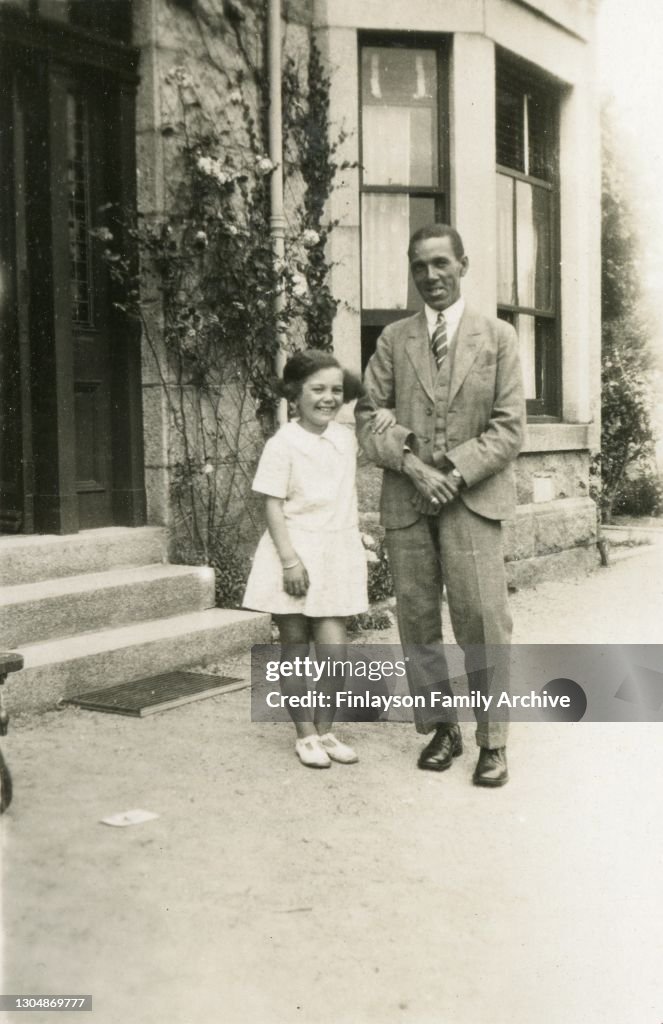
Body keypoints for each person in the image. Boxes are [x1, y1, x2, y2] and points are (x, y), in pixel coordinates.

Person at [355, 224, 525, 787]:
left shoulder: (497, 338)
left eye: (440, 264)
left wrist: (449, 472)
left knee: (481, 620)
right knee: (419, 621)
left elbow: (508, 430)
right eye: (418, 266)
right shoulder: (393, 340)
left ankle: (493, 741)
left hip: (472, 503)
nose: (429, 276)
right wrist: (413, 465)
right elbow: (367, 417)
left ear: (463, 264)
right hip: (408, 500)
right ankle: (441, 728)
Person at [243, 349, 393, 769]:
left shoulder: (345, 438)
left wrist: (384, 420)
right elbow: (272, 505)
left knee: (334, 653)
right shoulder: (283, 443)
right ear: (294, 394)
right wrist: (289, 560)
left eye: (335, 391)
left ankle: (325, 729)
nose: (328, 398)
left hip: (337, 554)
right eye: (317, 389)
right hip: (295, 553)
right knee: (295, 649)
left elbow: (375, 448)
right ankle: (304, 734)